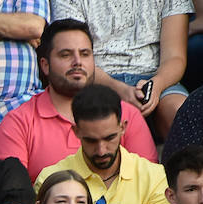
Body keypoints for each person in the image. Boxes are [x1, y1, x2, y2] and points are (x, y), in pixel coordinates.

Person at [0, 20, 157, 183]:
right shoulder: (19, 122)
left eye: (85, 54)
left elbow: (148, 185)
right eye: (66, 55)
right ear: (45, 65)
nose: (77, 61)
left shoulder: (127, 114)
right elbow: (11, 197)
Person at [35, 85, 173, 204]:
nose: (101, 150)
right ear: (76, 131)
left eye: (109, 138)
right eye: (91, 141)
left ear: (123, 127)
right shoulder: (50, 179)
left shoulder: (153, 176)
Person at [53, 0, 189, 136]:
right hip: (94, 77)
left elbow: (175, 57)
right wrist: (117, 88)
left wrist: (157, 85)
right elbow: (72, 54)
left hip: (157, 77)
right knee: (98, 115)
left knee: (180, 112)